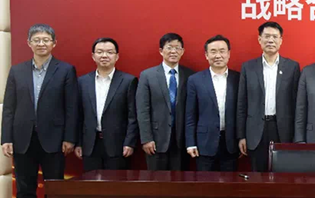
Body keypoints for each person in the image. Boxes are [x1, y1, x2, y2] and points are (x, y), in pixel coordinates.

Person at [1, 24, 77, 198]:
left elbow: (71, 107)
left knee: (54, 189)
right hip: (22, 139)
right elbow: (9, 108)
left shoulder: (65, 70)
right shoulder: (17, 71)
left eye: (46, 40)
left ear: (54, 43)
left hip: (54, 139)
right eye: (37, 40)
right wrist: (6, 138)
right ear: (29, 43)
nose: (41, 43)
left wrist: (69, 138)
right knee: (25, 188)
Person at [237, 22, 301, 171]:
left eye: (274, 37)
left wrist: (297, 136)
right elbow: (242, 103)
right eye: (266, 36)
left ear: (281, 40)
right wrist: (241, 136)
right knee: (257, 175)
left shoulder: (292, 67)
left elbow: (297, 104)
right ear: (260, 39)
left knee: (282, 175)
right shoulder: (248, 67)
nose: (270, 40)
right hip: (255, 130)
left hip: (282, 130)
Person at [75, 38, 139, 171]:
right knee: (90, 182)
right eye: (100, 52)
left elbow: (133, 116)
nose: (104, 56)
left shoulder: (128, 81)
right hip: (90, 145)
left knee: (116, 183)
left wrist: (129, 142)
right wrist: (78, 143)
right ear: (93, 56)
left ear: (117, 56)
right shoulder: (82, 82)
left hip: (118, 145)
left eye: (109, 52)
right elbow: (78, 115)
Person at [136, 33, 196, 170]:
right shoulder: (147, 75)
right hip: (156, 140)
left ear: (182, 51)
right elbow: (142, 109)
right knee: (156, 180)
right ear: (161, 51)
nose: (173, 51)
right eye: (169, 47)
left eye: (177, 48)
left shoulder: (191, 75)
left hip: (181, 141)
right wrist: (146, 138)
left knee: (180, 179)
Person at [185, 35, 240, 171]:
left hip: (231, 143)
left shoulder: (238, 79)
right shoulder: (195, 80)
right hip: (204, 143)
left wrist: (242, 139)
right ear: (206, 55)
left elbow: (243, 112)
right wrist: (190, 143)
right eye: (213, 51)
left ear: (228, 54)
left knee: (230, 182)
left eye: (222, 51)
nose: (218, 55)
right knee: (205, 183)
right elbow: (190, 115)